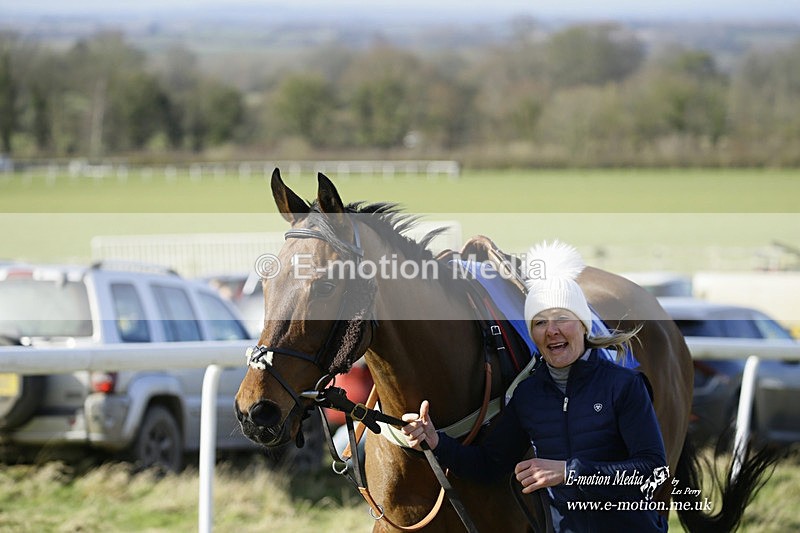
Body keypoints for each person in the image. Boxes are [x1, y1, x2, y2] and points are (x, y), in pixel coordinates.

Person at [402, 240, 669, 532]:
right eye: (540, 322)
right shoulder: (529, 395)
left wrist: (569, 473)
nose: (552, 330)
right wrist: (436, 441)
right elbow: (489, 465)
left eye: (562, 319)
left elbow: (652, 470)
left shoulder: (624, 385)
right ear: (533, 333)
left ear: (582, 324)